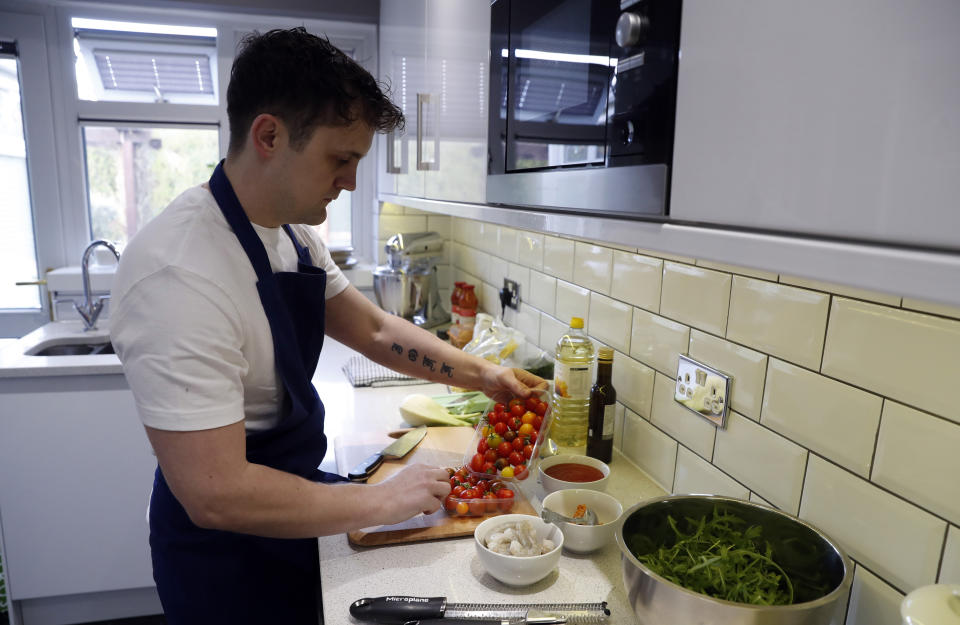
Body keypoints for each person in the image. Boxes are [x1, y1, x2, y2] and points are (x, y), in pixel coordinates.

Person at [110, 28, 545, 625]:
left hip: (298, 504)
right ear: (269, 136)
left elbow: (373, 331)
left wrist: (484, 375)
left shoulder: (293, 233)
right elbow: (215, 492)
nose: (352, 182)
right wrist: (376, 500)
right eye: (341, 159)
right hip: (226, 560)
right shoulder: (177, 272)